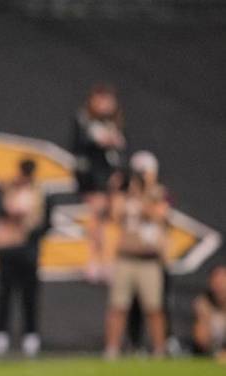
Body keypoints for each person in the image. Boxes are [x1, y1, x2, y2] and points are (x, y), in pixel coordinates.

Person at [104, 152, 168, 360]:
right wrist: (119, 190)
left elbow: (159, 216)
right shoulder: (124, 197)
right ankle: (112, 349)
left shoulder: (158, 194)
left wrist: (144, 195)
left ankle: (159, 350)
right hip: (126, 258)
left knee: (154, 307)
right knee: (118, 305)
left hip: (149, 260)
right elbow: (114, 215)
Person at [0, 159, 49, 357]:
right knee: (4, 294)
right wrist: (8, 212)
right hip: (7, 250)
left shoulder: (40, 193)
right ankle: (0, 335)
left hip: (29, 251)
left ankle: (31, 335)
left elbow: (47, 222)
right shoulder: (5, 189)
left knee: (29, 296)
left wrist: (29, 228)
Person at [71, 84, 126, 282]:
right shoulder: (84, 119)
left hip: (110, 174)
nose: (107, 104)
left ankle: (109, 262)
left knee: (114, 218)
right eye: (102, 99)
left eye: (109, 100)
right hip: (93, 175)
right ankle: (95, 261)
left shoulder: (114, 121)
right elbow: (83, 145)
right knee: (97, 217)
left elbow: (119, 148)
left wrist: (118, 172)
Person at [192, 264, 226, 360]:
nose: (220, 284)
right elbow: (201, 339)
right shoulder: (204, 301)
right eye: (216, 280)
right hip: (211, 350)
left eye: (223, 279)